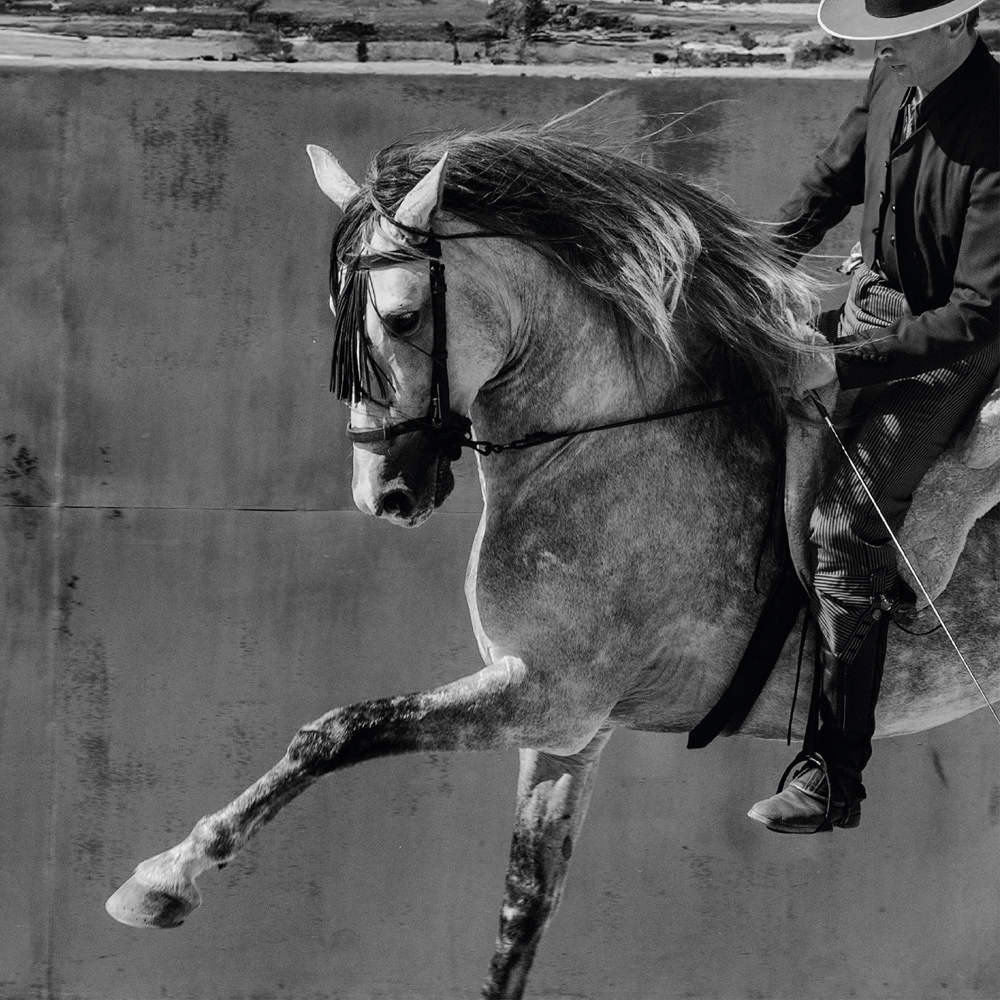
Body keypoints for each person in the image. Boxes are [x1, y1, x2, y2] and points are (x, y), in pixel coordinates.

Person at [747, 0, 999, 833]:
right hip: (873, 307)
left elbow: (976, 313)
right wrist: (751, 270)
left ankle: (833, 777)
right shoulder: (896, 74)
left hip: (955, 347)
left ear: (958, 27)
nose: (881, 49)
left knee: (849, 523)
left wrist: (841, 363)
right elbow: (832, 180)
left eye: (897, 35)